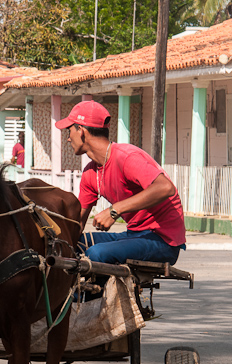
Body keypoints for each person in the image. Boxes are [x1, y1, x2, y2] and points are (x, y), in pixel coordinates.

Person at [55, 100, 186, 267]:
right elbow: (78, 223)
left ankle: (93, 294)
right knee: (69, 245)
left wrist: (113, 211)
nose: (67, 138)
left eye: (69, 130)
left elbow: (165, 188)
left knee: (96, 254)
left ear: (81, 131)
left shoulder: (126, 157)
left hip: (163, 241)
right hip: (133, 235)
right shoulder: (90, 173)